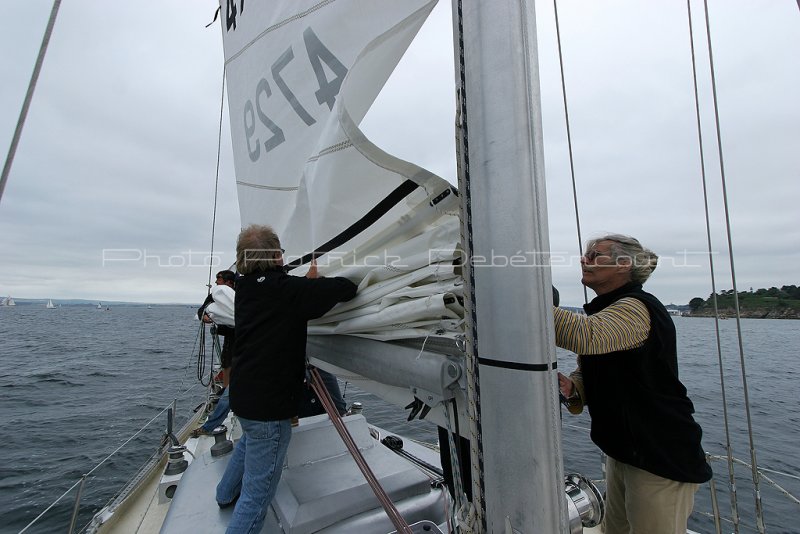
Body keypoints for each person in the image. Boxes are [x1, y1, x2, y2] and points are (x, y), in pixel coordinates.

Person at [554, 234, 712, 534]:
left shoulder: (637, 308)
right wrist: (574, 388)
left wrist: (524, 303)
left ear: (623, 264)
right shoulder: (609, 310)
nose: (584, 260)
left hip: (659, 456)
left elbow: (586, 336)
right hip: (625, 451)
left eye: (594, 254)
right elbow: (591, 368)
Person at [215, 225, 358, 533]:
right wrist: (315, 284)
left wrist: (303, 286)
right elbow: (346, 287)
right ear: (277, 257)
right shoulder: (288, 291)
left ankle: (223, 493)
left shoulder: (247, 288)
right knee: (256, 497)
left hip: (244, 397)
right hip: (269, 409)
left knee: (249, 442)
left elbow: (282, 295)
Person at [192, 270, 237, 438]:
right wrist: (203, 316)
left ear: (230, 283)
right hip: (231, 341)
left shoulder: (238, 292)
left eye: (219, 282)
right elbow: (203, 309)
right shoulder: (216, 294)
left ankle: (211, 425)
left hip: (245, 342)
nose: (217, 285)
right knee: (228, 379)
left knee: (231, 389)